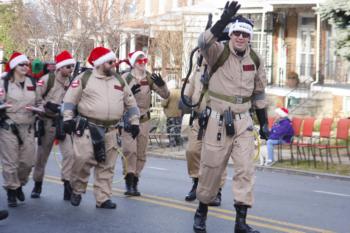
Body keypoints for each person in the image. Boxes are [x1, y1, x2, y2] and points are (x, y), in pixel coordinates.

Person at [193, 1, 269, 232]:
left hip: (243, 121)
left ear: (249, 38)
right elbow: (203, 41)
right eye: (236, 33)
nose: (240, 38)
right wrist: (224, 20)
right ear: (231, 34)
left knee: (245, 169)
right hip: (217, 119)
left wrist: (264, 122)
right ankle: (202, 210)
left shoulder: (255, 59)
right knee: (211, 168)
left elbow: (259, 92)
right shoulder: (217, 51)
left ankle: (241, 222)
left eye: (244, 35)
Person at [62, 46, 140, 209]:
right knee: (82, 160)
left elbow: (131, 103)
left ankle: (103, 198)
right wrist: (67, 119)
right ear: (100, 63)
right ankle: (77, 189)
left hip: (111, 130)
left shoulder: (119, 79)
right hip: (87, 129)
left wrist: (135, 122)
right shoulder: (84, 77)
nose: (114, 64)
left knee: (107, 166)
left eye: (114, 62)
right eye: (110, 62)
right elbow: (70, 100)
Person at [180, 53, 226, 207]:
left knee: (216, 157)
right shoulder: (198, 67)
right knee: (192, 151)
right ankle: (196, 182)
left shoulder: (223, 65)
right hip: (199, 118)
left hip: (217, 119)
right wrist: (185, 97)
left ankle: (216, 191)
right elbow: (190, 86)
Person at [121, 50, 169, 196]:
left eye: (145, 61)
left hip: (144, 120)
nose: (143, 64)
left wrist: (162, 85)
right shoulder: (125, 78)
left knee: (141, 153)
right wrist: (129, 92)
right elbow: (117, 98)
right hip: (129, 119)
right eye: (140, 61)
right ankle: (128, 181)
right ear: (134, 63)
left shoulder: (149, 78)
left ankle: (135, 181)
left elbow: (165, 95)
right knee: (130, 151)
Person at [31, 50, 76, 200]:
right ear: (60, 67)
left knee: (70, 154)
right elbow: (35, 99)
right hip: (48, 121)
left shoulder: (72, 82)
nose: (71, 70)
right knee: (41, 157)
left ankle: (67, 186)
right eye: (68, 66)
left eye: (72, 67)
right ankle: (37, 184)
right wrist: (47, 105)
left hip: (64, 122)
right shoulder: (47, 80)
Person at [0, 52, 42, 207]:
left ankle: (19, 184)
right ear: (13, 67)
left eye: (27, 64)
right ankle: (12, 190)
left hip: (29, 127)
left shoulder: (32, 81)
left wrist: (40, 108)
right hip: (9, 127)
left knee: (28, 162)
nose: (25, 67)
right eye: (21, 64)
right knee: (10, 162)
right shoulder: (4, 82)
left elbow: (39, 101)